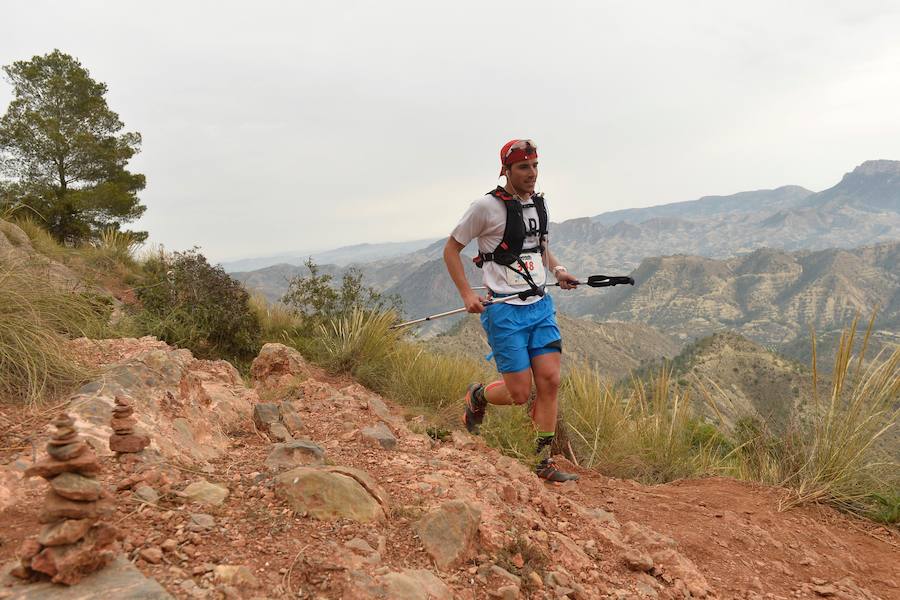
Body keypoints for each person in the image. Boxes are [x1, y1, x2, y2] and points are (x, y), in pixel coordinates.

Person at [443, 139, 579, 482]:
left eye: (534, 166)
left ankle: (541, 461)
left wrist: (559, 271)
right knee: (519, 393)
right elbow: (451, 249)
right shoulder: (484, 207)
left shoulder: (537, 205)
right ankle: (478, 395)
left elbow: (540, 249)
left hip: (540, 307)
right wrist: (465, 294)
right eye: (523, 167)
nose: (531, 174)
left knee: (549, 381)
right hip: (503, 310)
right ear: (506, 170)